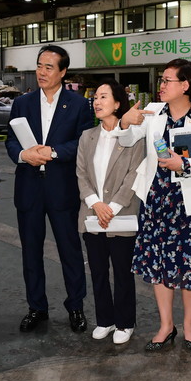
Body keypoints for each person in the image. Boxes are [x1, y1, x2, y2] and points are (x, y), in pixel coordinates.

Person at [117, 58, 191, 352]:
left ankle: (189, 326)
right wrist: (125, 121)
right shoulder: (152, 112)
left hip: (189, 203)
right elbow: (127, 140)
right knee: (158, 263)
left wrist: (185, 164)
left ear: (185, 85)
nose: (161, 85)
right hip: (156, 200)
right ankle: (166, 325)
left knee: (190, 265)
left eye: (167, 80)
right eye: (161, 80)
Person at [6, 45, 93, 333]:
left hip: (62, 188)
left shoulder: (78, 104)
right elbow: (11, 141)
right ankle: (36, 308)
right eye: (39, 66)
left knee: (70, 251)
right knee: (31, 252)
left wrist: (53, 152)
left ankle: (76, 307)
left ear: (63, 72)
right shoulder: (22, 103)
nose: (42, 72)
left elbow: (83, 142)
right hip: (29, 188)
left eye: (49, 67)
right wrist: (24, 155)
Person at [76, 80, 144, 344]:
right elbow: (81, 174)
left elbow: (134, 175)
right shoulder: (87, 136)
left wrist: (112, 208)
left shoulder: (133, 136)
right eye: (95, 97)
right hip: (92, 214)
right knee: (98, 271)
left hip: (121, 214)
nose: (97, 101)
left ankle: (125, 322)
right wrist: (96, 204)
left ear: (117, 104)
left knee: (122, 271)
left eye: (103, 97)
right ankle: (105, 319)